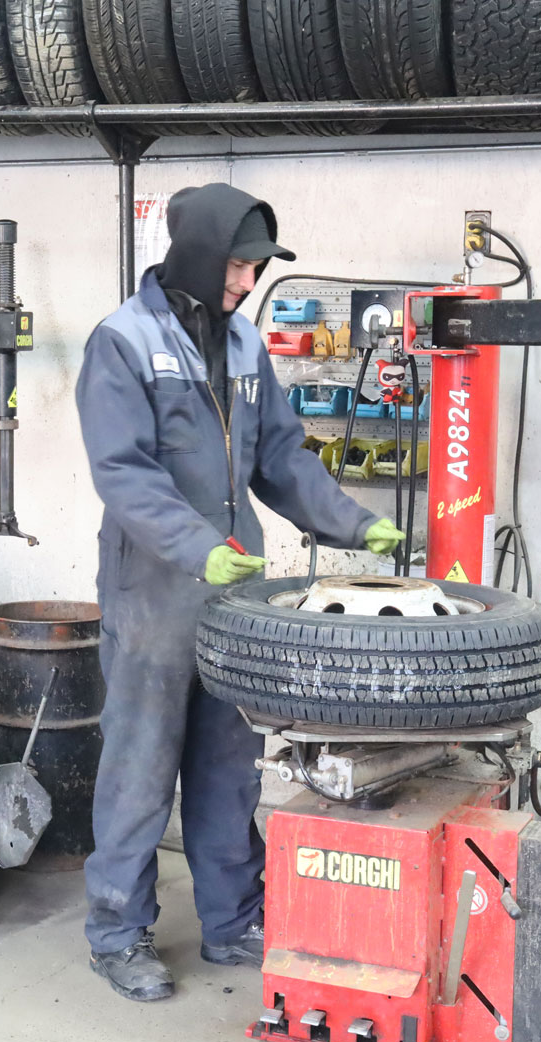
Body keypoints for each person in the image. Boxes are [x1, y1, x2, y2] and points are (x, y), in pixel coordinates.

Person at [75, 183, 404, 1001]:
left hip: (234, 597)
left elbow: (282, 457)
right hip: (153, 588)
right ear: (195, 253)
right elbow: (124, 471)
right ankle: (118, 933)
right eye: (238, 263)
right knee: (141, 766)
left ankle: (232, 922)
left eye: (256, 267)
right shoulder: (123, 342)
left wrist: (352, 522)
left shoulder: (249, 345)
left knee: (229, 764)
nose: (247, 280)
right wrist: (195, 546)